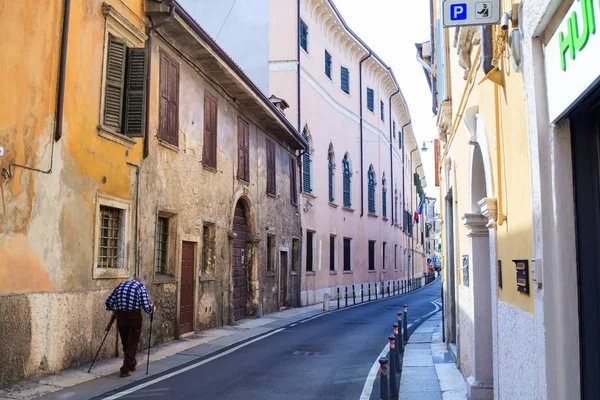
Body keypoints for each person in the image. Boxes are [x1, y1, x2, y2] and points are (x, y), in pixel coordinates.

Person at [105, 276, 156, 377]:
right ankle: (125, 369)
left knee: (125, 342)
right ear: (142, 282)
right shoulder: (140, 287)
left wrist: (114, 309)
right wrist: (152, 309)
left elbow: (108, 303)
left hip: (121, 317)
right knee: (133, 343)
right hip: (134, 318)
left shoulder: (121, 285)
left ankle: (131, 363)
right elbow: (146, 306)